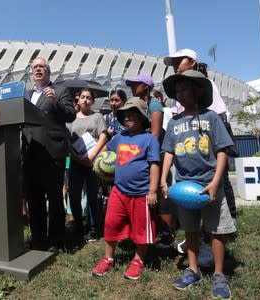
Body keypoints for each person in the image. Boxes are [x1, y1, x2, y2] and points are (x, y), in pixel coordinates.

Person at [160, 70, 236, 299]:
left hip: (210, 185)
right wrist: (164, 179)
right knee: (190, 230)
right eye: (178, 91)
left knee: (216, 231)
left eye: (185, 90)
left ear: (198, 91)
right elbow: (168, 152)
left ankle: (219, 274)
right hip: (185, 187)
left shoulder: (211, 118)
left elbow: (222, 151)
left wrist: (215, 182)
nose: (181, 95)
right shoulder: (173, 122)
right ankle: (193, 269)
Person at [92, 97, 160, 280]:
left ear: (142, 117)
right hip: (118, 191)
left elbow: (154, 165)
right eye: (125, 114)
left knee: (141, 229)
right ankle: (108, 258)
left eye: (132, 113)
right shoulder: (119, 138)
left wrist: (153, 191)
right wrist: (103, 161)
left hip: (141, 194)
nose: (128, 117)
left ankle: (138, 260)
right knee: (110, 224)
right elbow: (106, 150)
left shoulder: (149, 139)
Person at [22, 57, 76, 253]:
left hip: (52, 153)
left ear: (48, 71)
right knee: (34, 198)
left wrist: (55, 102)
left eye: (41, 66)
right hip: (30, 153)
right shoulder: (26, 94)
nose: (38, 69)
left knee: (54, 198)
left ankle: (56, 240)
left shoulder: (60, 91)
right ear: (31, 72)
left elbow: (70, 115)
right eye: (34, 66)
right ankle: (38, 239)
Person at [125, 75, 176, 249]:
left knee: (162, 194)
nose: (132, 87)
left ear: (145, 86)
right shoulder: (141, 104)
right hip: (145, 154)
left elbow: (154, 135)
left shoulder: (154, 105)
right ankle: (151, 231)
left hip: (157, 155)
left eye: (135, 84)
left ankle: (168, 233)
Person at [67, 88, 108, 241]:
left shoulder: (97, 116)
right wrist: (78, 158)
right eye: (83, 97)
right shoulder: (71, 118)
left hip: (93, 162)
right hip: (76, 162)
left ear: (92, 101)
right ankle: (78, 225)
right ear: (78, 99)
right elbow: (68, 141)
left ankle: (92, 228)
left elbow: (103, 137)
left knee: (93, 196)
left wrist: (91, 156)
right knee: (74, 196)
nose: (85, 100)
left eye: (88, 98)